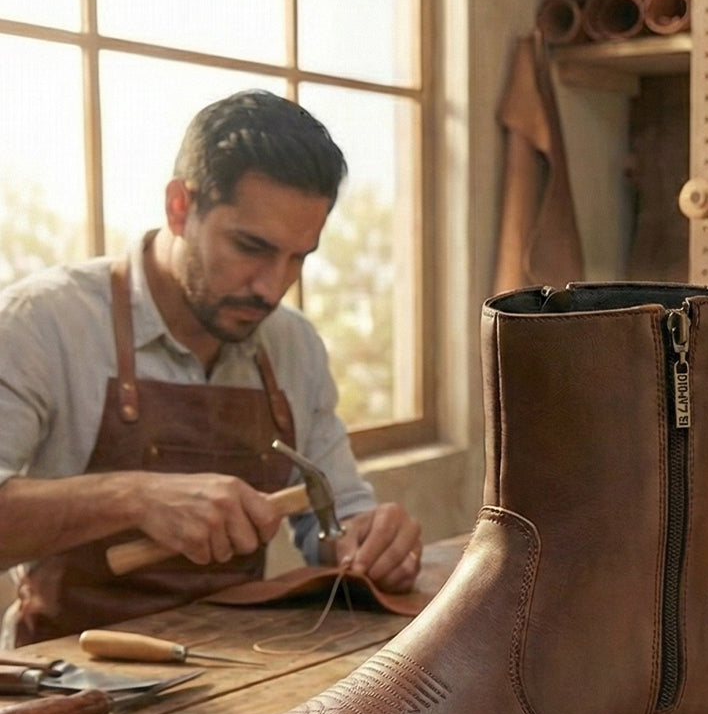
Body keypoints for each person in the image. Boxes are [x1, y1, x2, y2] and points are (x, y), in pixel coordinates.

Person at [0, 90, 422, 646]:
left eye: (298, 257)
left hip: (239, 670)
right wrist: (135, 497)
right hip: (68, 679)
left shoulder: (292, 346)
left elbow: (334, 518)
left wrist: (370, 545)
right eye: (251, 247)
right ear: (180, 207)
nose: (273, 287)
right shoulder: (43, 323)